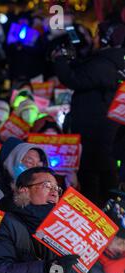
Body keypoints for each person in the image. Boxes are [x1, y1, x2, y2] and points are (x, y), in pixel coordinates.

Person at [53, 19, 125, 207]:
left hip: (95, 130)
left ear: (105, 39)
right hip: (111, 127)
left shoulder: (104, 63)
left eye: (97, 35)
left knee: (93, 179)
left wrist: (59, 59)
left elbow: (74, 79)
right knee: (107, 173)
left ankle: (100, 221)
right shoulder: (115, 60)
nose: (94, 39)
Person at [0, 167, 80, 273]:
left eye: (57, 189)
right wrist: (45, 269)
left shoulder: (57, 232)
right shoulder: (5, 221)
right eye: (47, 186)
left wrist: (65, 272)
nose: (54, 193)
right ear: (24, 190)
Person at [0, 137, 49, 209]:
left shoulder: (43, 199)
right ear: (12, 162)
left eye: (39, 166)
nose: (34, 169)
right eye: (29, 162)